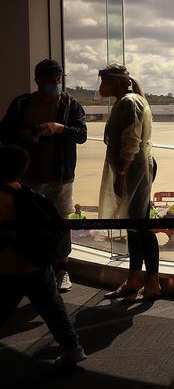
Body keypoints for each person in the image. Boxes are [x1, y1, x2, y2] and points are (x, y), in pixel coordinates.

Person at [0, 58, 87, 293]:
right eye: (51, 80)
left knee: (62, 223)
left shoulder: (70, 104)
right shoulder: (22, 104)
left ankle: (62, 270)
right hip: (28, 177)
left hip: (61, 176)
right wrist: (27, 135)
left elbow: (81, 135)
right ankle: (34, 269)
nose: (56, 83)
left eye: (59, 79)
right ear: (37, 80)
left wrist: (60, 129)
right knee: (29, 224)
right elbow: (4, 134)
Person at [0, 145, 87, 367]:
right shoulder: (28, 194)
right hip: (38, 264)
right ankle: (73, 348)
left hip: (9, 268)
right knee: (53, 307)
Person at [97, 64, 161, 303]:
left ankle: (152, 282)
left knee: (141, 228)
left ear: (114, 82)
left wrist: (122, 174)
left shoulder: (128, 102)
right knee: (133, 227)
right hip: (136, 169)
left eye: (104, 81)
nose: (101, 87)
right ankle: (135, 279)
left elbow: (131, 140)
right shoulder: (130, 100)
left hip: (133, 171)